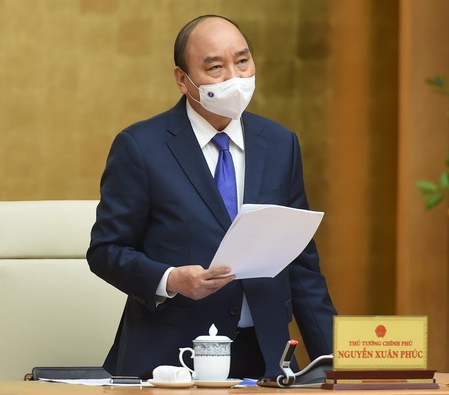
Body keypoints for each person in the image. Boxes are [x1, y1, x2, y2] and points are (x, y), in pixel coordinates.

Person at [87, 14, 337, 380]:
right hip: (172, 362)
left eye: (242, 61)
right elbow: (106, 251)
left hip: (266, 360)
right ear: (182, 80)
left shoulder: (281, 144)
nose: (234, 78)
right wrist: (170, 280)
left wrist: (340, 365)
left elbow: (300, 264)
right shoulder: (141, 147)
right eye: (215, 67)